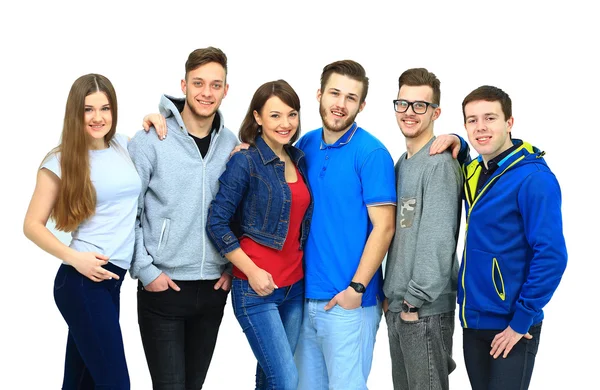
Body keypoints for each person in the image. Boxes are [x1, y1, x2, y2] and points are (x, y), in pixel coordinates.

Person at [127, 47, 239, 389]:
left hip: (213, 290)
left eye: (215, 85)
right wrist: (145, 270)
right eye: (199, 83)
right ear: (184, 85)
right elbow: (128, 212)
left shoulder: (230, 144)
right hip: (163, 288)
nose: (206, 92)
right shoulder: (151, 139)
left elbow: (240, 210)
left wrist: (233, 267)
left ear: (225, 90)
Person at [445, 85, 568, 389]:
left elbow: (552, 255)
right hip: (473, 319)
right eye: (471, 120)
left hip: (512, 325)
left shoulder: (534, 179)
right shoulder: (474, 170)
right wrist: (458, 142)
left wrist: (521, 320)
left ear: (509, 122)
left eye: (490, 118)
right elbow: (467, 157)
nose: (480, 127)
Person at [23, 73, 139, 389]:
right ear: (76, 112)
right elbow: (31, 225)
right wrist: (76, 259)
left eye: (105, 108)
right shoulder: (60, 160)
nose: (98, 117)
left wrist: (156, 117)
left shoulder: (123, 146)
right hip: (83, 282)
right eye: (88, 109)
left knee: (80, 383)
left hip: (111, 282)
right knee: (116, 384)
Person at [293, 60, 397, 390]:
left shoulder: (371, 153)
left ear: (362, 105)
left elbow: (385, 227)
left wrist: (356, 289)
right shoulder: (305, 144)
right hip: (302, 298)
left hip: (349, 304)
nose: (340, 104)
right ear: (320, 94)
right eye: (335, 93)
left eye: (351, 97)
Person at [206, 79, 313, 390]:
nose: (286, 124)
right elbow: (217, 222)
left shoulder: (299, 158)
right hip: (256, 290)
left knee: (269, 379)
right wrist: (251, 272)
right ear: (258, 117)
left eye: (292, 114)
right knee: (286, 379)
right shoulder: (246, 161)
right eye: (276, 115)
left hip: (294, 288)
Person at [382, 68, 462, 390]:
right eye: (403, 103)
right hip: (398, 305)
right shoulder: (403, 162)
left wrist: (414, 302)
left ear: (435, 112)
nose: (409, 112)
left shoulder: (439, 164)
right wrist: (392, 296)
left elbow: (439, 240)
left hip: (424, 311)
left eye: (420, 105)